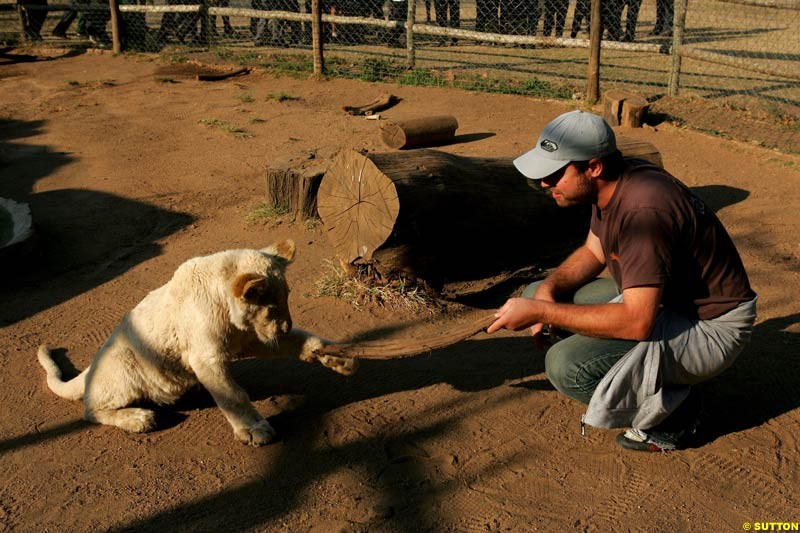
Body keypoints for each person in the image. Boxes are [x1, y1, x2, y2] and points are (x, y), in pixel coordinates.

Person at [487, 110, 757, 452]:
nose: (545, 183)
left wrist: (545, 312)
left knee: (566, 367)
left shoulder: (644, 211)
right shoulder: (614, 182)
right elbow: (593, 251)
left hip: (710, 329)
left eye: (555, 174)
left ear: (594, 167)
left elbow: (637, 321)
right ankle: (662, 379)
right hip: (668, 304)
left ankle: (678, 416)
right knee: (539, 294)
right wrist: (547, 293)